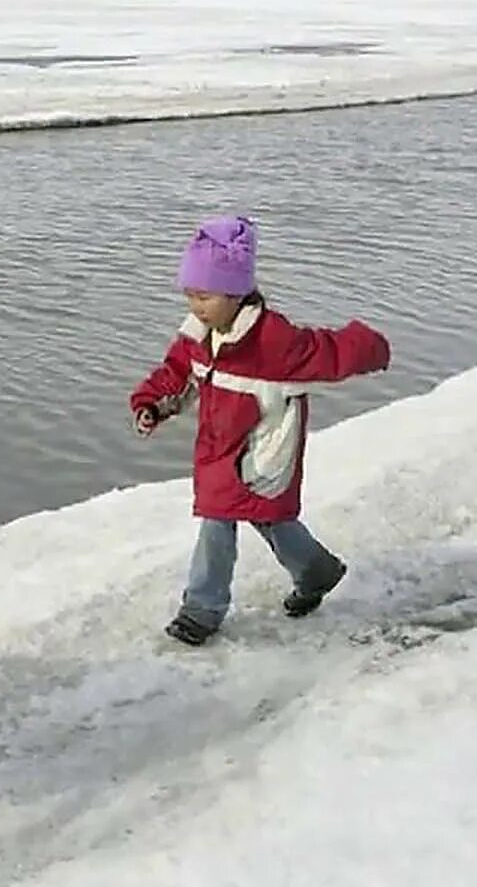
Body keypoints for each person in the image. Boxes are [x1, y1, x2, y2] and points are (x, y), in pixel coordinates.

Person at [131, 216, 391, 645]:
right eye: (189, 295)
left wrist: (371, 347)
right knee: (267, 520)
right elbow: (179, 373)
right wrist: (152, 405)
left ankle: (201, 610)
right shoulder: (198, 336)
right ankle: (317, 571)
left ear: (235, 293)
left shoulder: (274, 342)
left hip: (263, 453)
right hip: (219, 449)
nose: (195, 306)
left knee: (228, 520)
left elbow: (327, 352)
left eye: (204, 296)